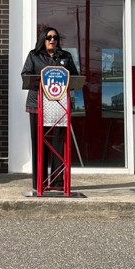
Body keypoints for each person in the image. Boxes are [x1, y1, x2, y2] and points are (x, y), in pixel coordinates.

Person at [21, 27, 79, 191]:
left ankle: (57, 182)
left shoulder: (65, 56)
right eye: (48, 37)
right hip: (38, 105)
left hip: (59, 106)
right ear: (42, 39)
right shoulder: (34, 55)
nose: (52, 40)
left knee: (58, 144)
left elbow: (74, 77)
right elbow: (25, 75)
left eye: (55, 37)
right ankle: (38, 181)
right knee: (39, 144)